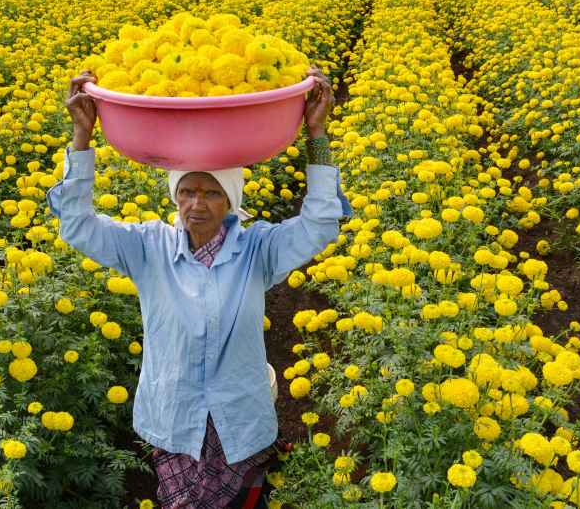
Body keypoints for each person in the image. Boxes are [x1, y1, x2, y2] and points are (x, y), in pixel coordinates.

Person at [46, 64, 351, 508]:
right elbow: (76, 225)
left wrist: (317, 134)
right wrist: (81, 138)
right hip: (175, 424)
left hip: (239, 426)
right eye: (187, 192)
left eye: (210, 193)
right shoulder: (148, 249)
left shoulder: (257, 250)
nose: (196, 204)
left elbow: (320, 223)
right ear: (175, 197)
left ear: (231, 200)